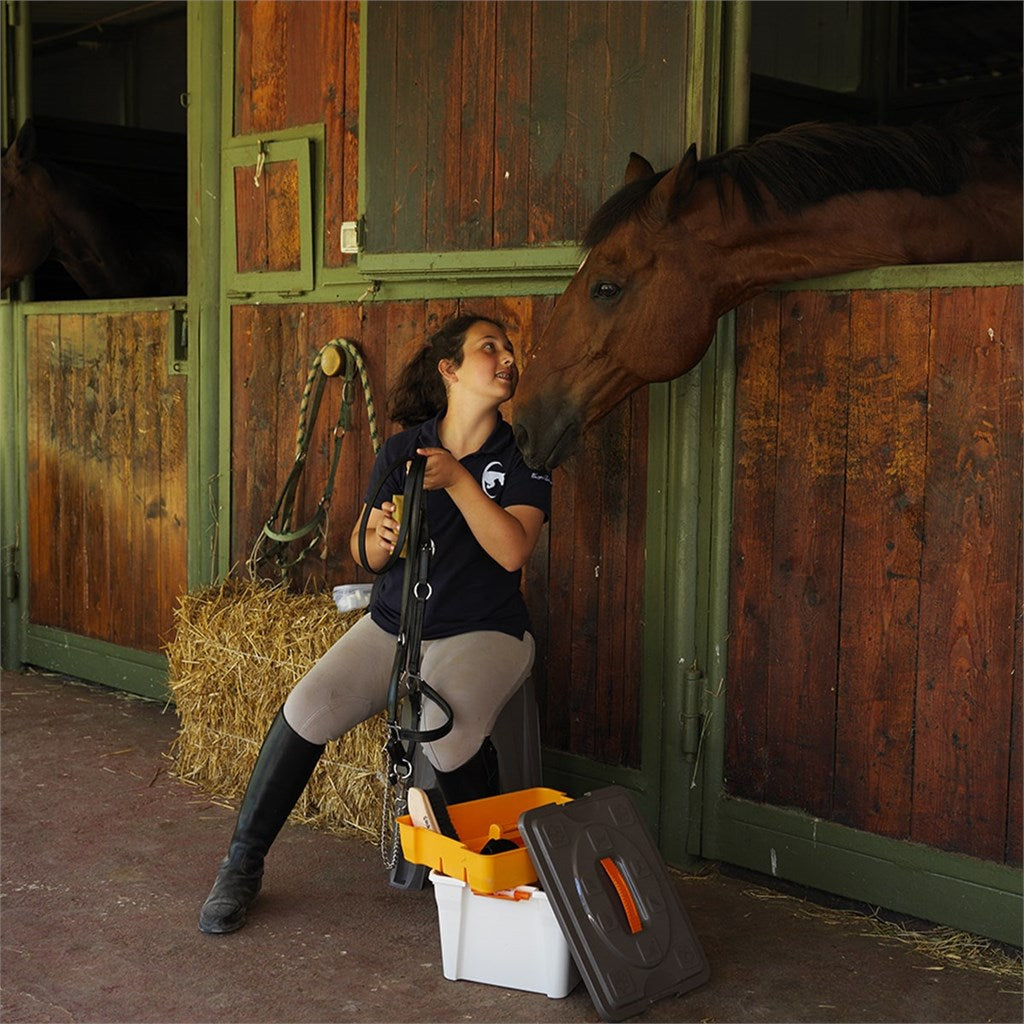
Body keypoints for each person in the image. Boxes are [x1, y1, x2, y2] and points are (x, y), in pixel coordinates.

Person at [198, 314, 552, 935]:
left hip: (487, 630)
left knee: (446, 729)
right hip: (395, 622)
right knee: (307, 706)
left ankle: (486, 878)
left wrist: (461, 481)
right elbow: (361, 547)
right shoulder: (400, 449)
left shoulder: (523, 454)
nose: (506, 359)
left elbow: (513, 551)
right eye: (487, 348)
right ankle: (241, 865)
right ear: (449, 370)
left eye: (509, 350)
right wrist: (375, 540)